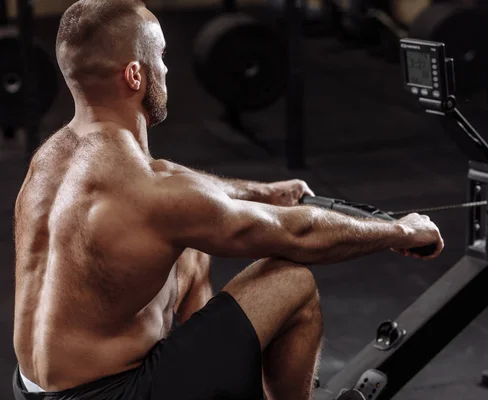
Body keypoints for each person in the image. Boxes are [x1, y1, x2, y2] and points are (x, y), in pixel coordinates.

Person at [11, 1, 444, 399]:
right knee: (293, 281)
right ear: (135, 75)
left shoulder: (51, 160)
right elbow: (299, 234)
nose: (166, 68)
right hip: (113, 394)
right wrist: (401, 229)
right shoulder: (150, 194)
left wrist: (264, 192)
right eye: (159, 56)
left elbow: (170, 179)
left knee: (188, 251)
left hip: (30, 388)